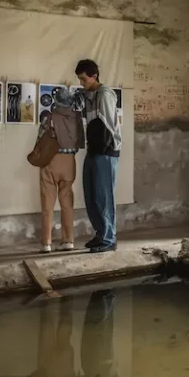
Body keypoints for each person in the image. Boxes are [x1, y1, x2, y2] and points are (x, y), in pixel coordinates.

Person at [75, 59, 121, 253]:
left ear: (94, 76)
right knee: (91, 194)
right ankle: (100, 233)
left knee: (104, 196)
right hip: (93, 149)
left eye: (83, 79)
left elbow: (109, 126)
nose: (81, 83)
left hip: (106, 151)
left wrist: (105, 148)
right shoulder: (88, 95)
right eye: (79, 79)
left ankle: (109, 238)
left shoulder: (105, 95)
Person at [37, 86, 84, 253]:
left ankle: (46, 243)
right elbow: (80, 142)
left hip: (50, 161)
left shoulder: (49, 117)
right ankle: (68, 241)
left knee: (47, 203)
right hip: (69, 162)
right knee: (67, 203)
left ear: (56, 102)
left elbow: (40, 140)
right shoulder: (77, 118)